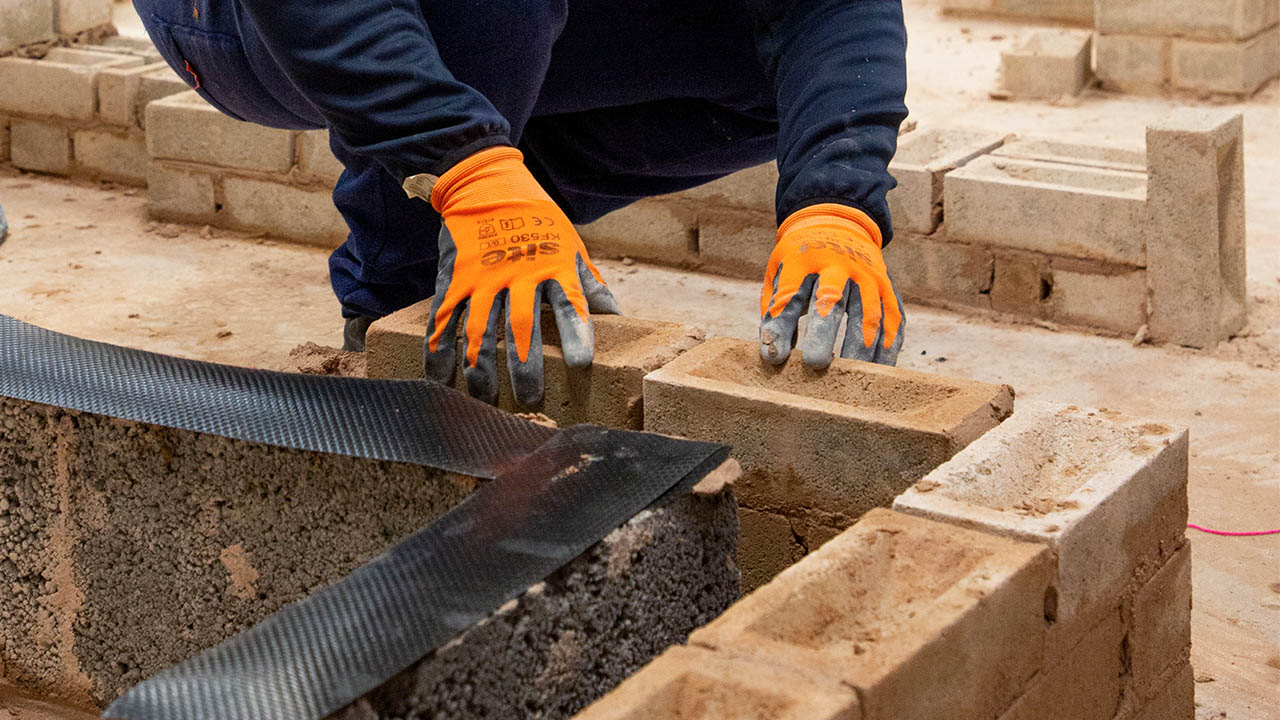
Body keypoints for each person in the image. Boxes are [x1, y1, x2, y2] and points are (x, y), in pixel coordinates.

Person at [132, 0, 908, 405]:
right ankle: (403, 299)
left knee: (772, 70)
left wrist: (833, 200)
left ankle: (511, 199)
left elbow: (830, 7)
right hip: (236, 21)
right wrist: (460, 167)